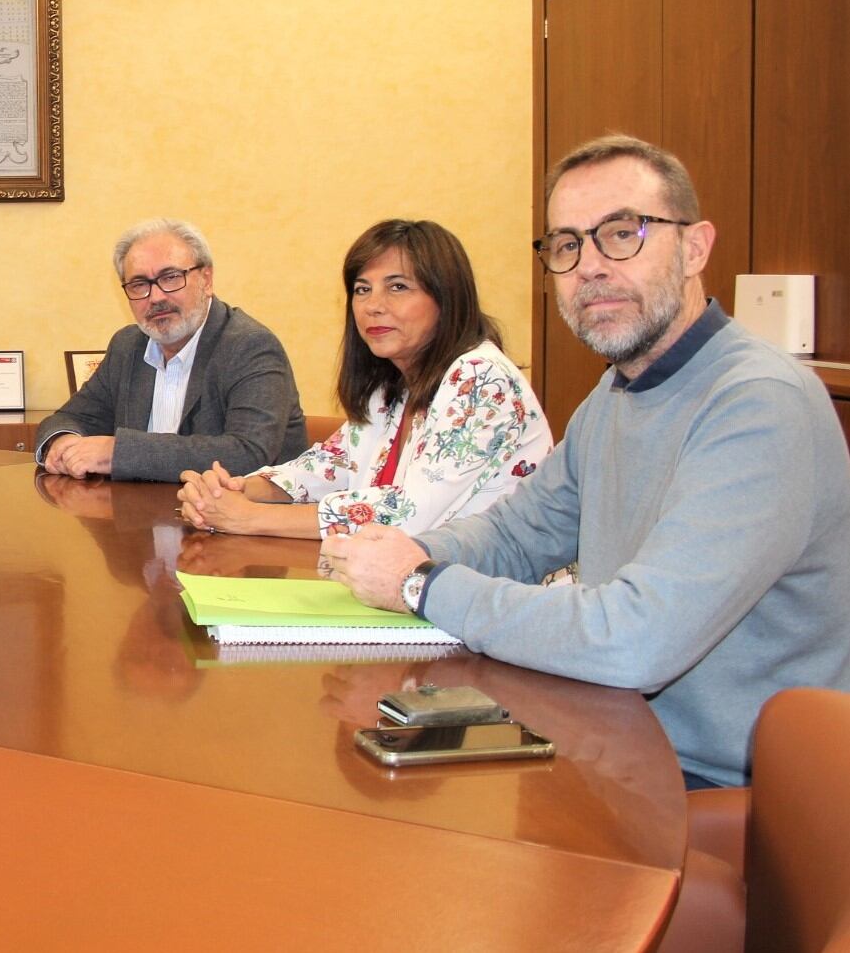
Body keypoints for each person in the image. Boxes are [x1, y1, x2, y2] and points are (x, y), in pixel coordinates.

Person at [321, 135, 850, 788]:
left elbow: (635, 639)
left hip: (715, 788)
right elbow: (519, 533)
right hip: (604, 734)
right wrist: (400, 551)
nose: (589, 266)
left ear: (694, 247)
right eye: (567, 244)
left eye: (621, 233)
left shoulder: (758, 404)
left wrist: (418, 583)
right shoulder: (618, 391)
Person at [178, 219, 551, 538]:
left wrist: (251, 518)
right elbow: (331, 466)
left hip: (493, 600)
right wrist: (236, 489)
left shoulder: (480, 378)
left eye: (398, 286)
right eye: (362, 289)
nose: (373, 305)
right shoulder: (391, 385)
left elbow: (407, 515)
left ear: (446, 298)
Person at [36, 218, 308, 482]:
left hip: (239, 522)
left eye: (171, 277)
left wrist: (115, 453)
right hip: (143, 520)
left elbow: (247, 453)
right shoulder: (127, 346)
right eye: (139, 284)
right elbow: (69, 418)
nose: (156, 297)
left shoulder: (250, 347)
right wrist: (64, 442)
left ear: (207, 279)